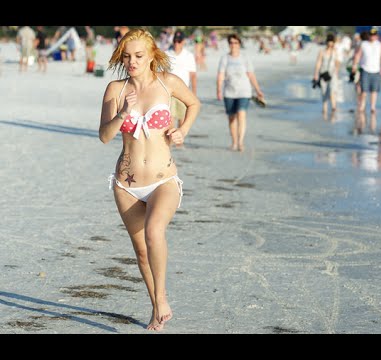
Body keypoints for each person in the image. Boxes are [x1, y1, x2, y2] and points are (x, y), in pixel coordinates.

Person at [98, 28, 201, 331]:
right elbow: (104, 136)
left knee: (154, 232)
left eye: (139, 56)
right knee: (142, 251)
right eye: (127, 56)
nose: (132, 61)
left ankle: (162, 297)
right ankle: (157, 309)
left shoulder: (168, 84)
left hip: (163, 180)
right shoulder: (115, 89)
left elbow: (194, 104)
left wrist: (183, 129)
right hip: (126, 185)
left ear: (153, 55)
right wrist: (122, 114)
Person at [216, 33, 264, 152]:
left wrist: (258, 90)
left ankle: (241, 142)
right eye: (231, 43)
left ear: (239, 44)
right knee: (232, 118)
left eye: (235, 42)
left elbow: (251, 74)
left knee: (241, 114)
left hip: (244, 91)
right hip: (229, 92)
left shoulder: (245, 58)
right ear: (229, 44)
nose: (233, 45)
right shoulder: (225, 58)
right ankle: (234, 142)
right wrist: (218, 89)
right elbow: (221, 75)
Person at [166, 31, 197, 131]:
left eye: (179, 41)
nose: (176, 43)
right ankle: (170, 139)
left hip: (183, 90)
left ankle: (179, 140)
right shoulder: (166, 54)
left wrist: (194, 92)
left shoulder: (188, 55)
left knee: (182, 116)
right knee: (170, 117)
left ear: (183, 42)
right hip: (169, 91)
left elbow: (193, 75)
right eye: (175, 41)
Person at [352, 28, 381, 113]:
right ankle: (362, 106)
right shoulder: (364, 44)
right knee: (364, 90)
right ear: (369, 36)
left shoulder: (379, 45)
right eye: (371, 35)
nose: (372, 37)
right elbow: (358, 55)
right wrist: (355, 65)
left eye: (374, 35)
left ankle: (372, 107)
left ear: (377, 36)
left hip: (376, 70)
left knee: (374, 91)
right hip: (365, 70)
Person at [313, 33, 340, 115]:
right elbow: (318, 63)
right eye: (329, 41)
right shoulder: (322, 52)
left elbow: (337, 63)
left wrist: (336, 72)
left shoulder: (335, 52)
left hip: (332, 74)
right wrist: (316, 74)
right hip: (323, 74)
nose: (330, 43)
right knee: (324, 92)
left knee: (332, 91)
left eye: (332, 42)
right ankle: (324, 109)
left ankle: (333, 108)